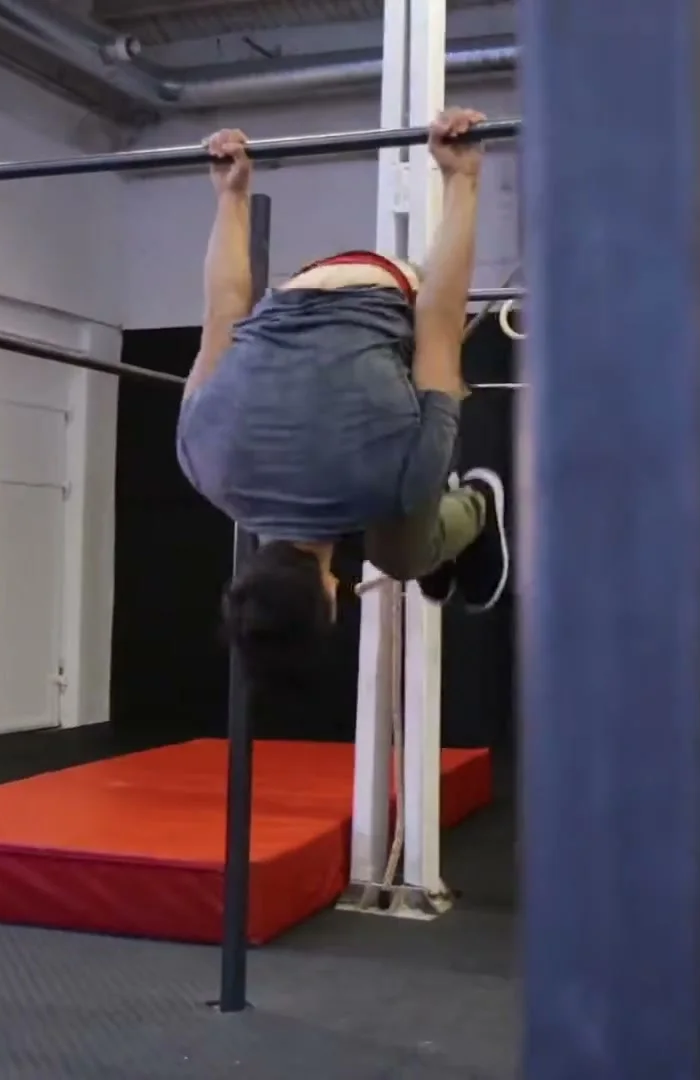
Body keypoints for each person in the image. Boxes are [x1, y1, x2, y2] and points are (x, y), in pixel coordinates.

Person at [175, 107, 511, 694]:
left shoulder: (394, 481)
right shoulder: (201, 463)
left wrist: (462, 177)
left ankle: (477, 506)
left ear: (332, 598)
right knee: (398, 536)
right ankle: (436, 544)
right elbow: (224, 311)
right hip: (295, 289)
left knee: (402, 547)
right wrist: (231, 196)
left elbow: (438, 319)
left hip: (390, 289)